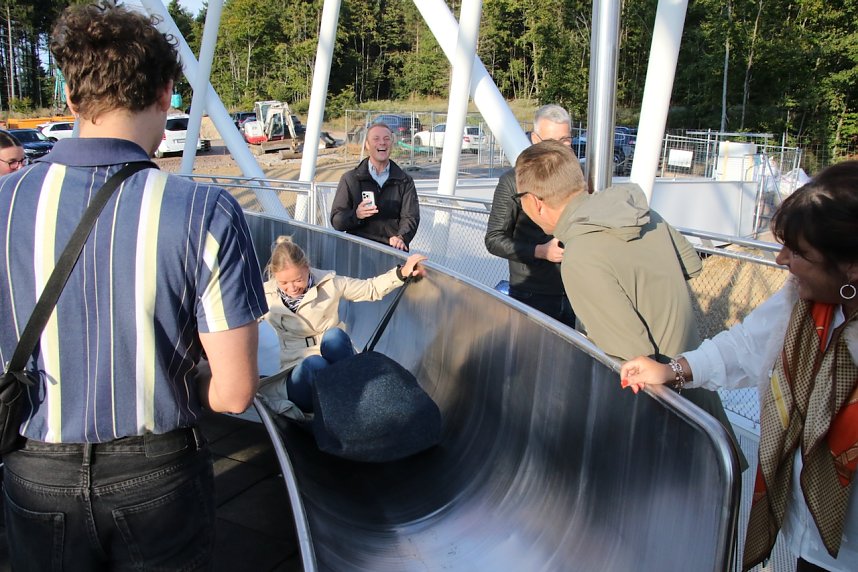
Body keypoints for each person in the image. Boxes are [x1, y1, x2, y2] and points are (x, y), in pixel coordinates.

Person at [0, 3, 267, 569]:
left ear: (71, 99)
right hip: (158, 477)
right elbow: (235, 391)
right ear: (168, 93)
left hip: (34, 471)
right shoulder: (204, 211)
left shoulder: (6, 204)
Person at [621, 161, 858, 572]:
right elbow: (748, 345)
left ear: (853, 266)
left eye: (799, 252)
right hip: (814, 534)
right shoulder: (803, 304)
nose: (781, 260)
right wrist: (674, 370)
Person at [515, 139, 745, 466]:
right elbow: (691, 265)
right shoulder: (642, 212)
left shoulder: (580, 256)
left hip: (665, 431)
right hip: (697, 394)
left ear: (536, 203)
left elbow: (631, 356)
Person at [261, 235, 427, 414]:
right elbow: (240, 321)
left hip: (334, 360)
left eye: (298, 280)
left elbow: (369, 288)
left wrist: (402, 273)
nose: (292, 288)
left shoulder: (329, 283)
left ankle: (359, 397)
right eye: (284, 283)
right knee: (315, 365)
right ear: (274, 276)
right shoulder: (266, 295)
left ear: (307, 268)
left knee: (335, 336)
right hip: (297, 368)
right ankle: (351, 402)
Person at [484, 104, 576, 327]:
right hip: (531, 295)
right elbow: (494, 239)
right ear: (535, 139)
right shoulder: (511, 181)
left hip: (576, 292)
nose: (559, 149)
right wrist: (540, 251)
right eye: (551, 142)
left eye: (565, 141)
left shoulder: (579, 180)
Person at [330, 123, 420, 251]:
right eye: (376, 139)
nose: (382, 143)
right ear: (367, 145)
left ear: (392, 144)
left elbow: (411, 217)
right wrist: (356, 215)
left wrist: (401, 238)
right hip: (358, 252)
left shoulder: (405, 181)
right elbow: (337, 221)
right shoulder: (350, 179)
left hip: (391, 251)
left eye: (386, 139)